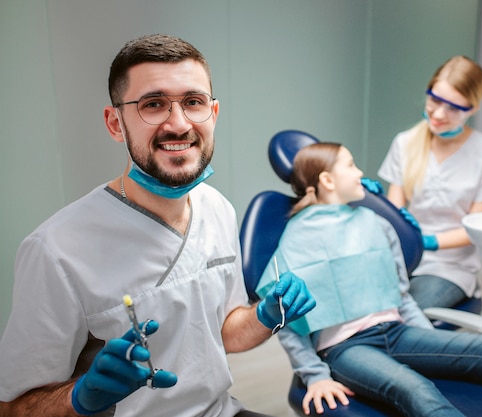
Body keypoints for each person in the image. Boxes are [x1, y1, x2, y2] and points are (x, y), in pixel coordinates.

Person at [0, 34, 315, 417]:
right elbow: (13, 406)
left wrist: (266, 315)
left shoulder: (218, 208)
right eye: (153, 105)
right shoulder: (56, 250)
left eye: (193, 102)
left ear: (213, 114)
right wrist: (79, 397)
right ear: (116, 123)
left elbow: (225, 332)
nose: (179, 124)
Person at [256, 142, 482, 417]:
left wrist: (434, 347)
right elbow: (285, 320)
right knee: (417, 390)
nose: (360, 173)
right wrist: (314, 376)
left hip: (399, 332)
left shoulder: (376, 223)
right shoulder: (295, 240)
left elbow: (402, 296)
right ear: (328, 181)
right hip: (347, 348)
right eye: (351, 165)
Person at [377, 56, 482, 310]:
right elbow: (395, 214)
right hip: (402, 257)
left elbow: (476, 228)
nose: (439, 114)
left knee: (401, 316)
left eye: (453, 107)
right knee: (360, 309)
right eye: (435, 100)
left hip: (449, 267)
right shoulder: (405, 143)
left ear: (472, 108)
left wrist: (428, 241)